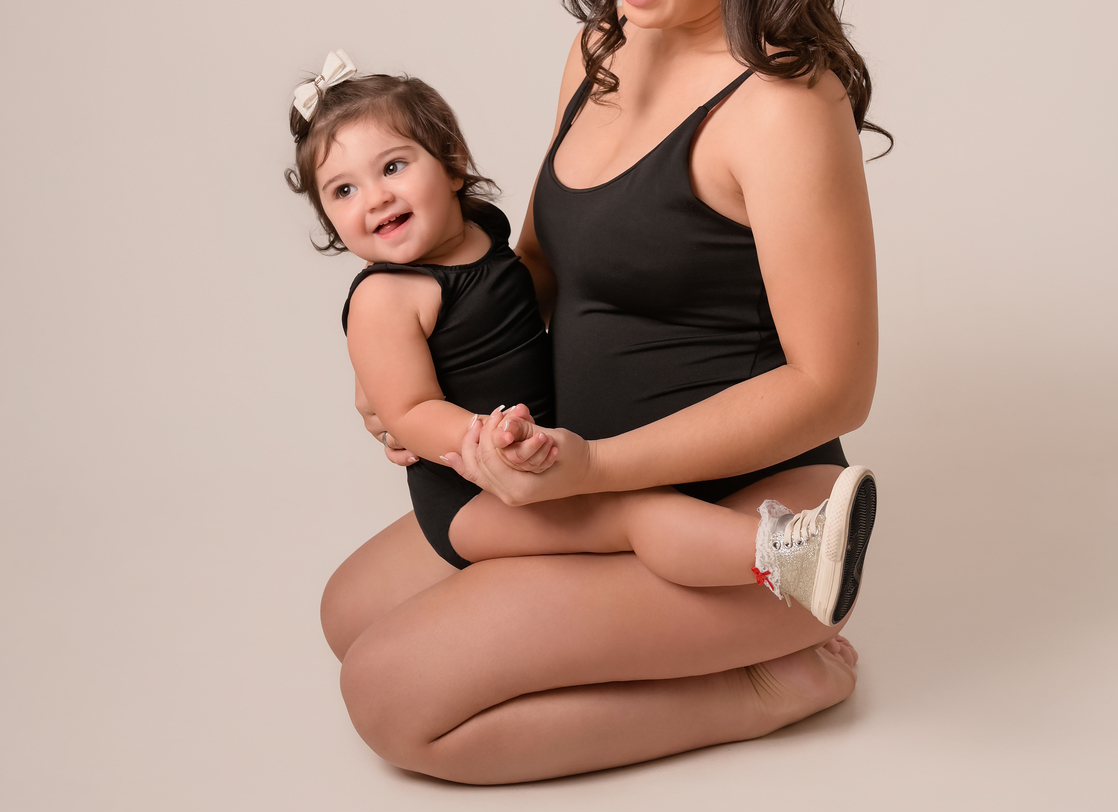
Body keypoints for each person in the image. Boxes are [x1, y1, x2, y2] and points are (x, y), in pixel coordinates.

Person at [319, 0, 886, 784]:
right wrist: (410, 378)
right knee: (347, 615)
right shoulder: (603, 50)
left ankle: (764, 685)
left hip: (736, 521)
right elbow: (540, 268)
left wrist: (599, 470)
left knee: (389, 697)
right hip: (584, 492)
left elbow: (834, 386)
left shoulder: (785, 111)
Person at [286, 59, 875, 622]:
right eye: (342, 191)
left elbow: (517, 296)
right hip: (474, 496)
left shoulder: (480, 230)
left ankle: (768, 587)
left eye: (392, 167)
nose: (375, 198)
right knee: (638, 516)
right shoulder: (383, 299)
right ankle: (784, 556)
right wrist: (491, 442)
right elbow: (411, 411)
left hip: (535, 453)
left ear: (453, 164)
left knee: (639, 513)